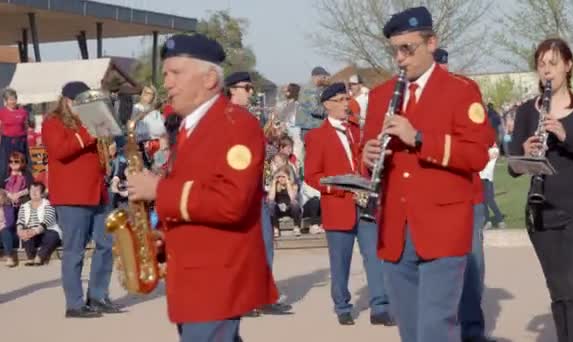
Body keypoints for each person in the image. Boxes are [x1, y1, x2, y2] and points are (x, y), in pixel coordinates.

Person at [126, 33, 278, 342]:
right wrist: (162, 239)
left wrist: (159, 191)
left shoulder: (236, 124)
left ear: (210, 78)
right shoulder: (188, 128)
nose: (166, 82)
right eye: (166, 73)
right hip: (196, 277)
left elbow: (232, 202)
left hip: (218, 278)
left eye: (176, 73)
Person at [361, 7, 493, 341]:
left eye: (408, 49)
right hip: (394, 228)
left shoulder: (461, 91)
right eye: (395, 50)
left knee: (436, 329)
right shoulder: (380, 97)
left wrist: (419, 138)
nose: (400, 59)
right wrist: (366, 155)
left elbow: (476, 153)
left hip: (442, 227)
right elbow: (366, 153)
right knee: (411, 330)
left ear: (431, 42)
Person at [508, 37, 573, 342]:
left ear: (568, 65)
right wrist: (524, 151)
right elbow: (513, 167)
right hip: (540, 211)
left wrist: (566, 137)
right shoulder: (527, 111)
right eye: (541, 64)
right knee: (558, 291)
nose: (547, 71)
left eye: (553, 63)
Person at [305, 83, 394, 326]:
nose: (347, 103)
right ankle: (342, 306)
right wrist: (340, 188)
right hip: (338, 206)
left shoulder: (358, 130)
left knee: (375, 257)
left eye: (347, 98)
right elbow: (311, 175)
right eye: (342, 99)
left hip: (365, 205)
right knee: (340, 261)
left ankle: (380, 307)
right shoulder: (316, 136)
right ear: (328, 104)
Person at [41, 81, 121, 318]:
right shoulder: (52, 122)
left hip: (97, 191)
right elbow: (60, 151)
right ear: (67, 101)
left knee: (106, 245)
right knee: (74, 251)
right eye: (81, 102)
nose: (87, 106)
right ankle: (74, 304)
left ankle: (97, 296)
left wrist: (109, 146)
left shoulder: (89, 121)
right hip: (71, 195)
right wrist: (90, 132)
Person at [434, 47, 496, 342]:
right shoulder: (408, 95)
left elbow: (484, 138)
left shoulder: (465, 89)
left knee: (471, 266)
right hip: (429, 198)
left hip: (466, 193)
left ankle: (472, 331)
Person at [225, 70, 292, 316]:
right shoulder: (226, 118)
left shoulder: (250, 119)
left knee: (265, 245)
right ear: (232, 89)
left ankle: (262, 296)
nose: (252, 93)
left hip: (258, 192)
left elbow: (265, 153)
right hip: (237, 192)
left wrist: (273, 143)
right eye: (247, 88)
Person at [16, 182, 61, 266]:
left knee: (53, 235)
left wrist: (36, 231)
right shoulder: (24, 205)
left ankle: (40, 257)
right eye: (32, 190)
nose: (34, 192)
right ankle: (30, 257)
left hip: (46, 230)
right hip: (31, 231)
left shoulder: (48, 204)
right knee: (26, 234)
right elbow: (20, 220)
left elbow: (48, 219)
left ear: (43, 193)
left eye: (37, 190)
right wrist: (20, 230)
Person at [0, 88, 31, 181]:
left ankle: (25, 181)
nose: (13, 101)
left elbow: (27, 126)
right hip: (8, 141)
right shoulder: (2, 113)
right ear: (6, 101)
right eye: (10, 99)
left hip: (21, 140)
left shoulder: (23, 112)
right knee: (7, 163)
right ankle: (6, 183)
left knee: (23, 161)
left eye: (14, 99)